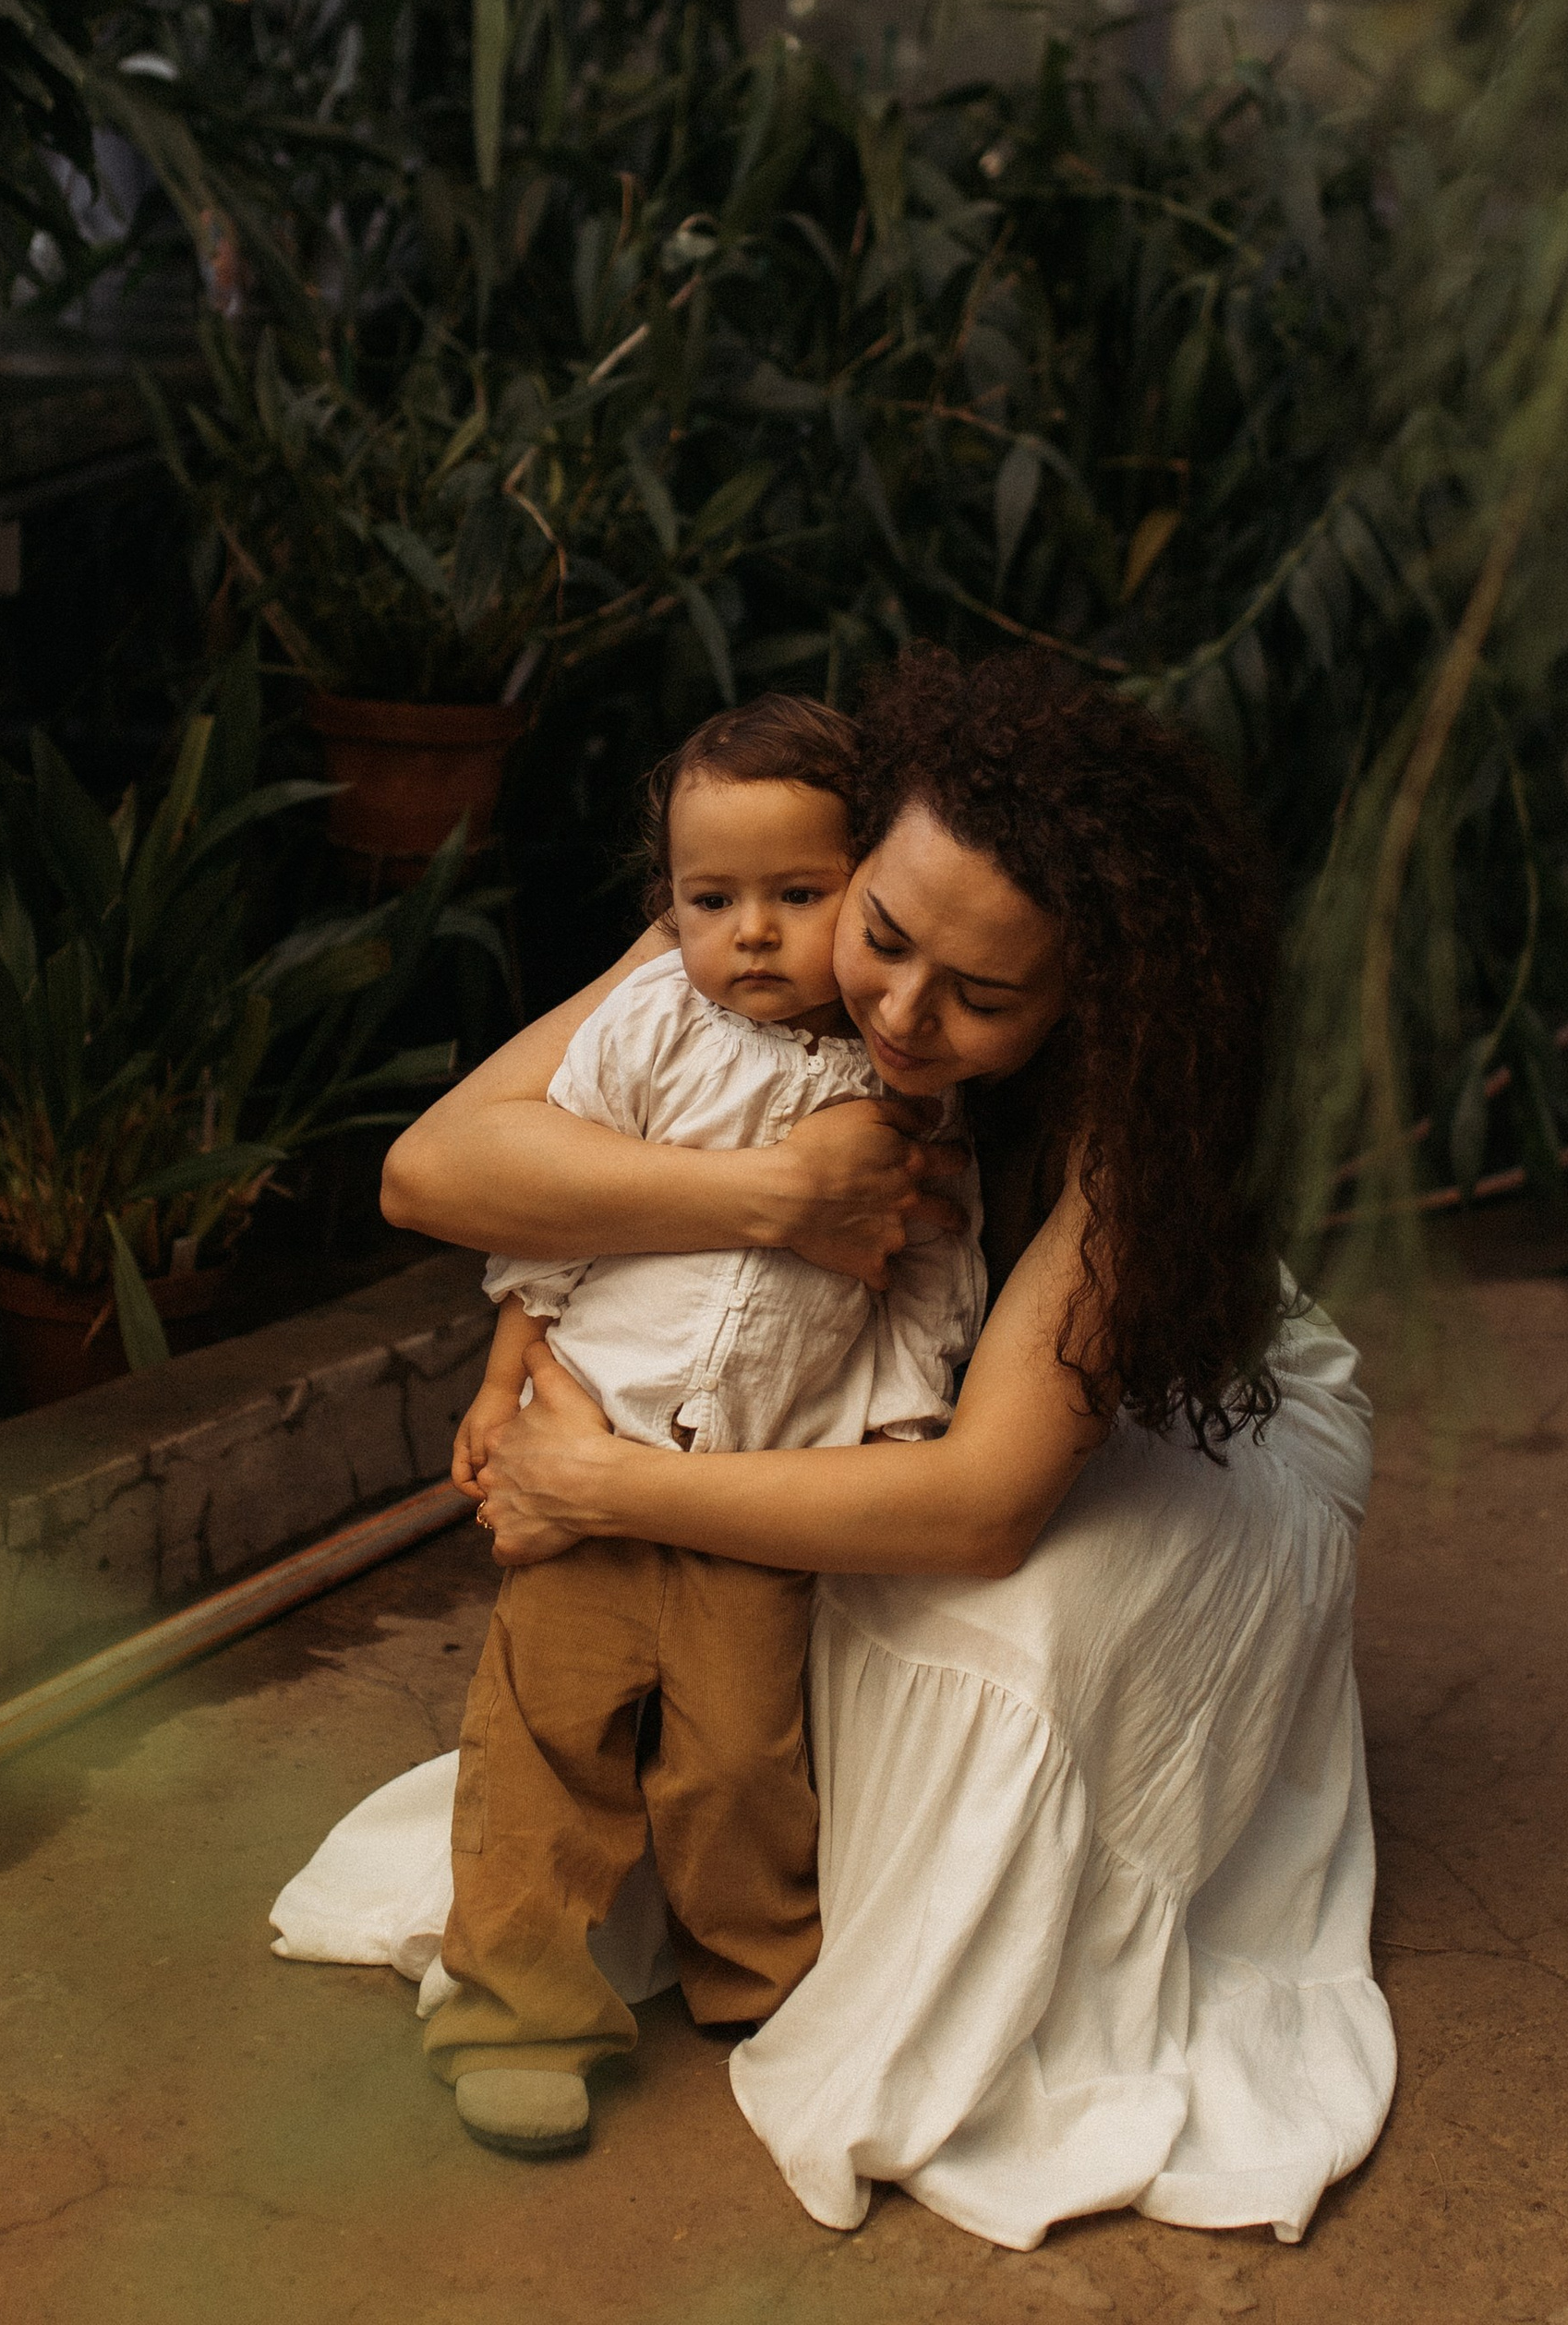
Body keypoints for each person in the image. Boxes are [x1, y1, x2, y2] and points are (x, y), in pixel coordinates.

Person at [271, 647, 1395, 2252]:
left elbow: (987, 1499)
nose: (900, 1010)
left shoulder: (1136, 1121)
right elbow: (441, 1168)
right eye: (880, 935)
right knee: (645, 1638)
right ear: (850, 859)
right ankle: (551, 1969)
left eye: (985, 995)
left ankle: (797, 1956)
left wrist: (612, 1482)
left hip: (1096, 1399)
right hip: (825, 1352)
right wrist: (776, 1197)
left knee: (1004, 1632)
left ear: (1088, 990)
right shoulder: (761, 906)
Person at [434, 694, 986, 2160]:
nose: (749, 932)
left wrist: (905, 1426)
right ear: (661, 907)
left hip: (757, 1487)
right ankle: (516, 2010)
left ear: (866, 895)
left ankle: (760, 1980)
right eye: (709, 899)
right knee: (541, 1748)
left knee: (742, 1762)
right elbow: (543, 1218)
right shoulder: (642, 1032)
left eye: (798, 897)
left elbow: (931, 1270)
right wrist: (503, 1385)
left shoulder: (906, 1083)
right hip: (584, 1448)